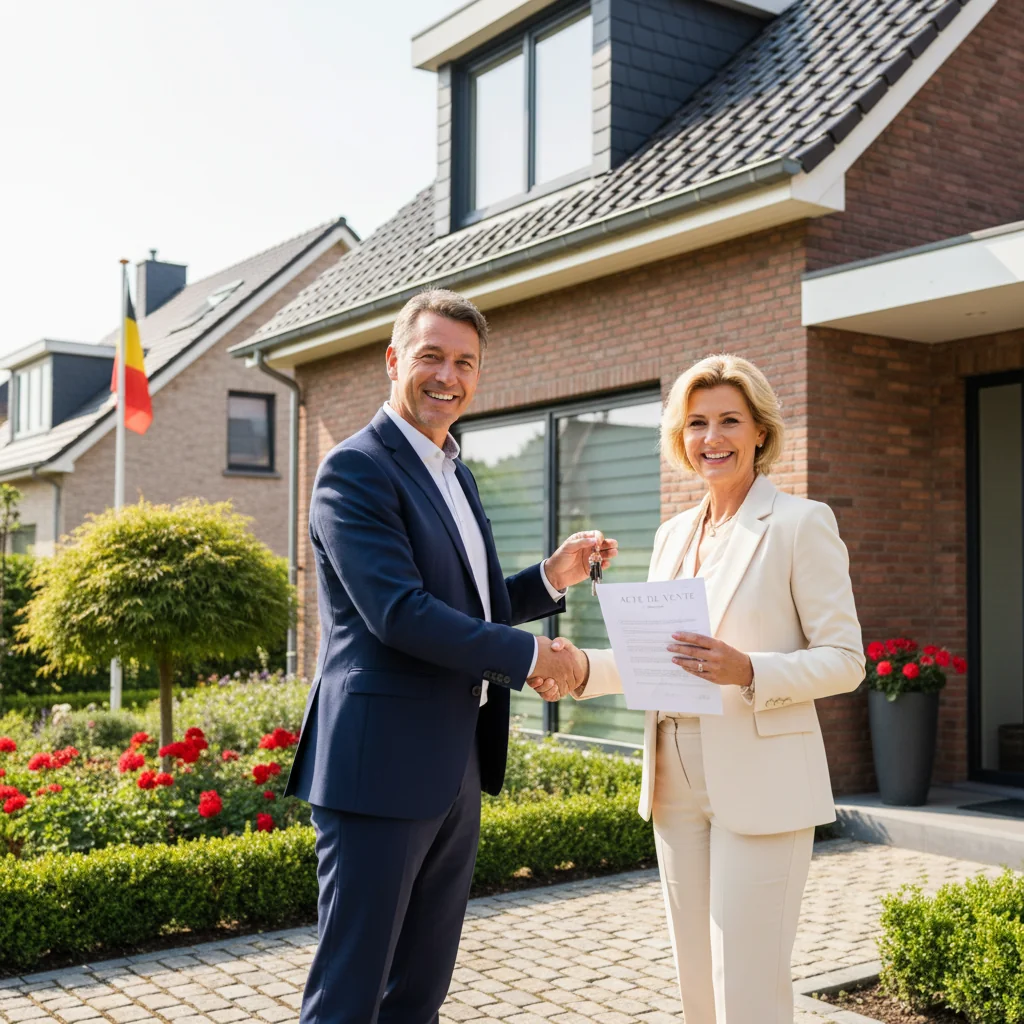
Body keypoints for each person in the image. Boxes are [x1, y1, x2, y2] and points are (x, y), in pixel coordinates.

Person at [286, 288, 617, 1024]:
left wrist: (548, 580)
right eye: (432, 356)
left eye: (465, 362)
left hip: (454, 763)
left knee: (419, 992)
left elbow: (461, 604)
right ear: (393, 359)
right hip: (378, 770)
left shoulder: (455, 470)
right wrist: (532, 656)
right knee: (350, 995)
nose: (449, 375)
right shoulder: (355, 470)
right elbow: (400, 613)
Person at [542, 354, 864, 1024]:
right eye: (696, 423)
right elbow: (658, 659)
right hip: (673, 778)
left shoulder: (803, 523)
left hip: (763, 779)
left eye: (727, 421)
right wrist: (581, 671)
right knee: (698, 988)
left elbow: (844, 660)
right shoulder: (671, 535)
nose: (711, 437)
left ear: (759, 434)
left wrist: (749, 669)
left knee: (748, 989)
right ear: (680, 438)